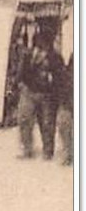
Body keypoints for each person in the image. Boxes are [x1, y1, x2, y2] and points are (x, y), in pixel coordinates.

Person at [14, 24, 67, 161]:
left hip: (47, 94)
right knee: (24, 120)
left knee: (47, 123)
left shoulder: (55, 57)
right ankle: (27, 148)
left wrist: (57, 94)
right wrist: (19, 83)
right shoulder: (29, 54)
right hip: (29, 90)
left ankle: (48, 151)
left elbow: (60, 77)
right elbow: (21, 70)